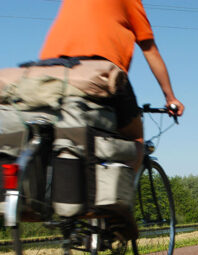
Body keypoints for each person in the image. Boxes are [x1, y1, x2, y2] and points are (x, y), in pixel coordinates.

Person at [39, 0, 184, 171]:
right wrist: (170, 97)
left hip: (49, 68)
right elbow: (150, 50)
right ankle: (124, 194)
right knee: (135, 138)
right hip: (98, 68)